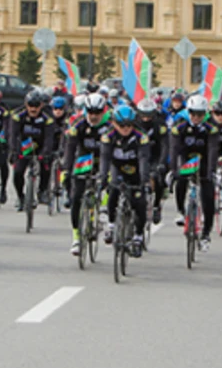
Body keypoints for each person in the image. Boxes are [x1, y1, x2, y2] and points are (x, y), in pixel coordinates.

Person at [99, 104, 151, 257]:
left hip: (136, 169)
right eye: (121, 125)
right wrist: (103, 178)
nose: (125, 128)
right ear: (114, 123)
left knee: (139, 202)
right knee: (113, 191)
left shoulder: (141, 136)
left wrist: (145, 181)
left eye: (129, 125)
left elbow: (143, 159)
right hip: (118, 168)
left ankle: (138, 236)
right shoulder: (108, 136)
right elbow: (105, 158)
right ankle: (111, 224)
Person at [171, 95, 219, 250]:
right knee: (181, 179)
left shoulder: (211, 127)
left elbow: (212, 150)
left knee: (208, 192)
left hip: (204, 160)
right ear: (188, 112)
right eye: (193, 113)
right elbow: (174, 150)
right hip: (187, 158)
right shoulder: (179, 126)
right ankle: (180, 210)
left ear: (205, 113)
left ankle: (206, 234)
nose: (196, 117)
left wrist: (211, 171)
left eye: (200, 114)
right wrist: (173, 170)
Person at [63, 93, 109, 255]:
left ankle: (104, 210)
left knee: (111, 181)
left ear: (103, 111)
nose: (94, 116)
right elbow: (70, 149)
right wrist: (66, 170)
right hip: (84, 160)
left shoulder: (110, 125)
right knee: (76, 198)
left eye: (97, 112)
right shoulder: (78, 125)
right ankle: (76, 237)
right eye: (90, 112)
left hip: (105, 160)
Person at [9, 90, 55, 211]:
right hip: (24, 147)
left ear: (41, 105)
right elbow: (13, 135)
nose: (33, 109)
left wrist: (45, 153)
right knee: (18, 172)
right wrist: (14, 151)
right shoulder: (17, 115)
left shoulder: (48, 118)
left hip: (40, 145)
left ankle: (42, 190)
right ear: (26, 104)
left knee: (46, 164)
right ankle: (20, 196)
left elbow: (49, 138)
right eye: (30, 105)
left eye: (36, 106)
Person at [136, 97, 168, 225]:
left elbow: (165, 145)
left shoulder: (160, 125)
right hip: (138, 156)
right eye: (143, 115)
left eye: (149, 115)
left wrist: (162, 163)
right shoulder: (134, 125)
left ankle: (156, 205)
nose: (146, 119)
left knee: (158, 177)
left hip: (155, 155)